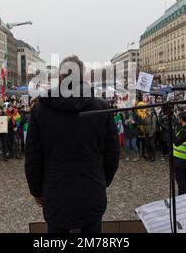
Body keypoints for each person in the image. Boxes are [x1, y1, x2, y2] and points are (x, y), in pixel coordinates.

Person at [25, 55, 120, 233]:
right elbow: (113, 154)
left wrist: (36, 191)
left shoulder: (41, 110)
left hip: (55, 193)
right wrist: (102, 180)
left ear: (60, 77)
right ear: (82, 77)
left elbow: (33, 157)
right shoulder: (101, 107)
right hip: (91, 191)